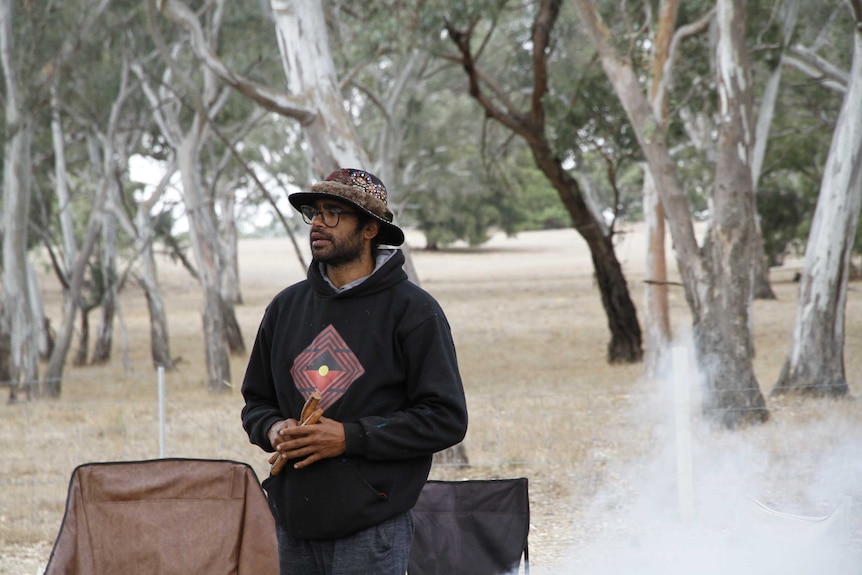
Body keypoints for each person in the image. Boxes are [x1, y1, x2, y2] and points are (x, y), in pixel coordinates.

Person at [241, 168, 469, 575]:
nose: (317, 224)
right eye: (314, 213)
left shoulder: (413, 311)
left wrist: (349, 438)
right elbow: (256, 402)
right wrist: (274, 428)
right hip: (291, 522)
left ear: (369, 229)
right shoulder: (285, 307)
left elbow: (445, 419)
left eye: (334, 213)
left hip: (371, 525)